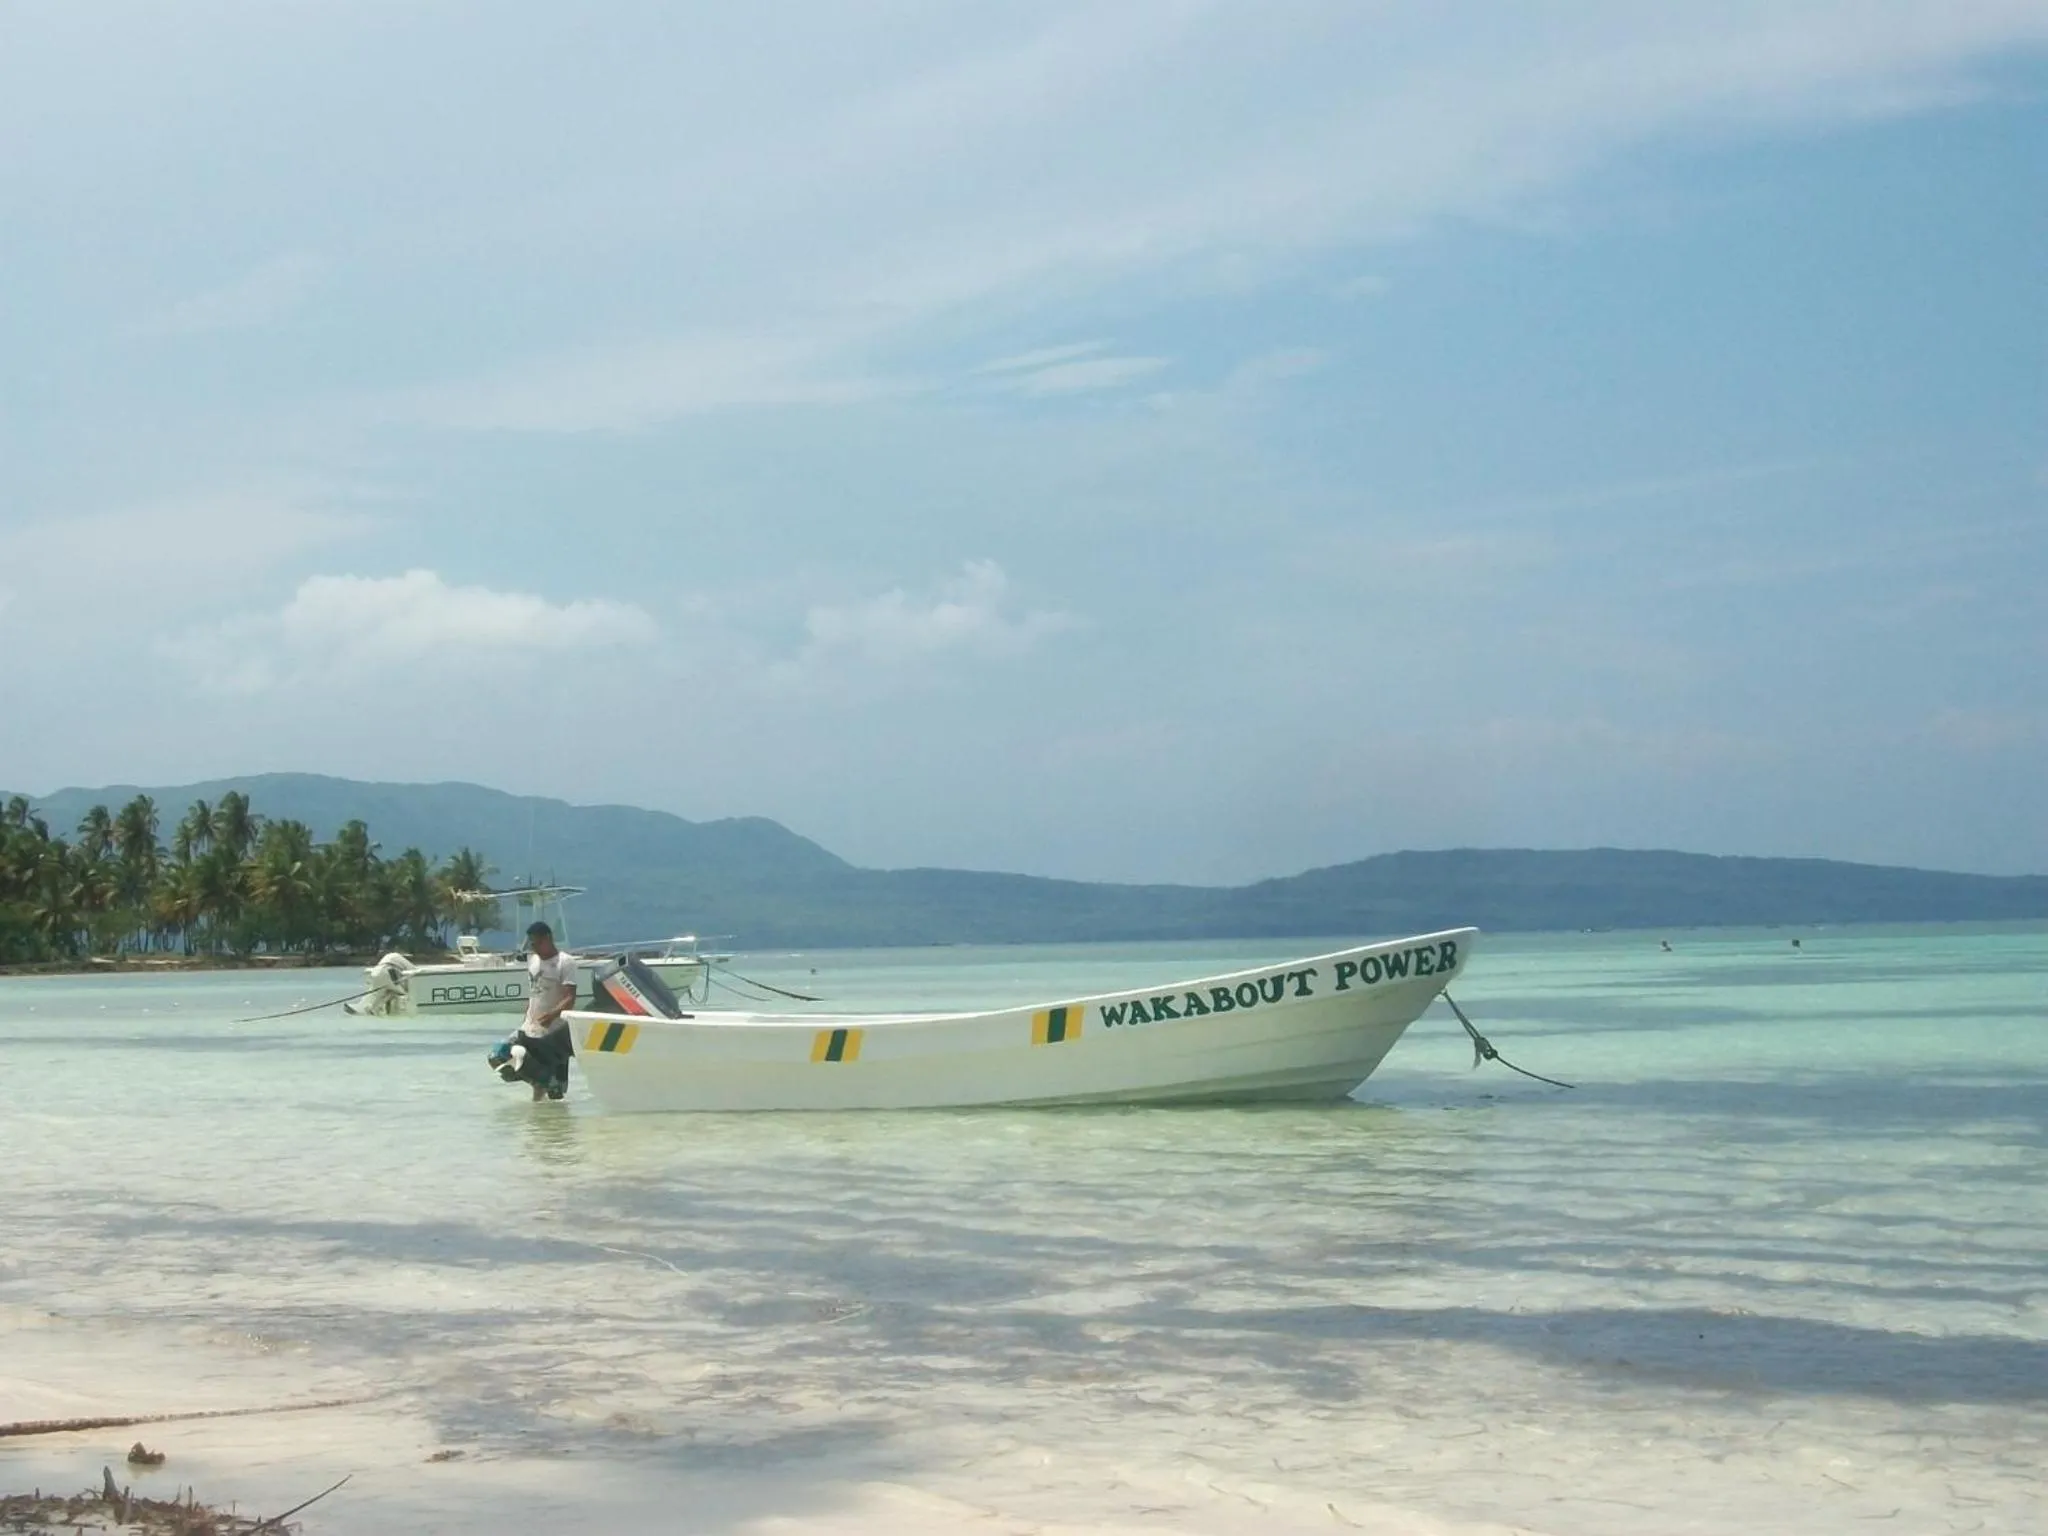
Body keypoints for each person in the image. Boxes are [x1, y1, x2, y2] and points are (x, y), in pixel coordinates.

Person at [514, 920, 579, 1100]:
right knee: (505, 1057)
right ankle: (537, 1107)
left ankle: (553, 1122)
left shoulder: (565, 962)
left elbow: (570, 998)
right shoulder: (533, 961)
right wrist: (525, 1017)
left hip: (555, 1032)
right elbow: (534, 993)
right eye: (531, 943)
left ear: (547, 939)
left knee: (556, 1090)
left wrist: (551, 1016)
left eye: (536, 943)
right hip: (530, 1026)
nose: (533, 947)